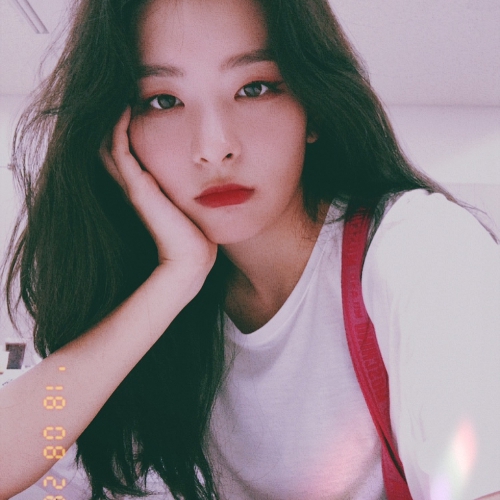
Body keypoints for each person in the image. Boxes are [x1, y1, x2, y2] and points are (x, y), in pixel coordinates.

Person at [0, 0, 499, 498]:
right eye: (164, 100)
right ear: (119, 138)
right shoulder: (160, 297)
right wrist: (176, 278)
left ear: (313, 106)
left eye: (254, 88)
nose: (214, 147)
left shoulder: (421, 249)